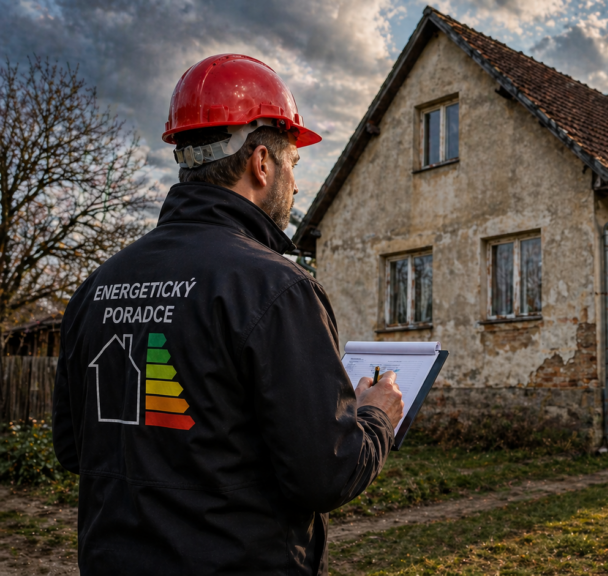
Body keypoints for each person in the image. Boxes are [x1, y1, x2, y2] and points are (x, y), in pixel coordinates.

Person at [51, 54, 403, 575]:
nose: (296, 184)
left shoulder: (97, 287)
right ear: (262, 162)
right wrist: (375, 416)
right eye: (293, 165)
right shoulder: (277, 287)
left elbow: (74, 449)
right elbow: (326, 474)